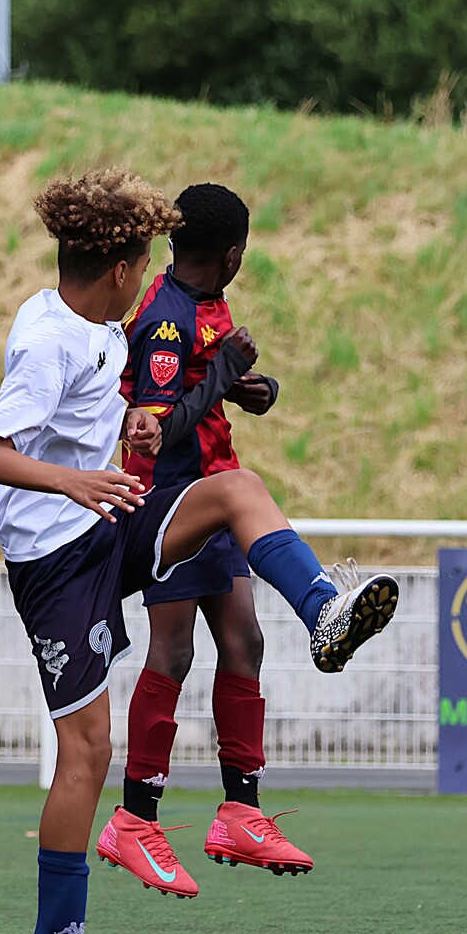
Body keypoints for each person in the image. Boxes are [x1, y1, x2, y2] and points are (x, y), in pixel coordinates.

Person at [0, 169, 399, 934]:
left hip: (109, 521)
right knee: (86, 753)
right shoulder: (46, 339)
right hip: (56, 562)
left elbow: (104, 414)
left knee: (239, 488)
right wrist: (74, 479)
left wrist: (133, 423)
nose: (148, 280)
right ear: (119, 270)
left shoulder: (102, 326)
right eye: (142, 266)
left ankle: (323, 610)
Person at [116, 182, 312, 882]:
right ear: (233, 254)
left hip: (217, 490)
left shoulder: (202, 299)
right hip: (173, 500)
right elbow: (158, 427)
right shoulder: (166, 321)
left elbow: (196, 389)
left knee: (244, 641)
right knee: (173, 651)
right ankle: (136, 816)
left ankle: (241, 812)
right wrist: (224, 370)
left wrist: (244, 388)